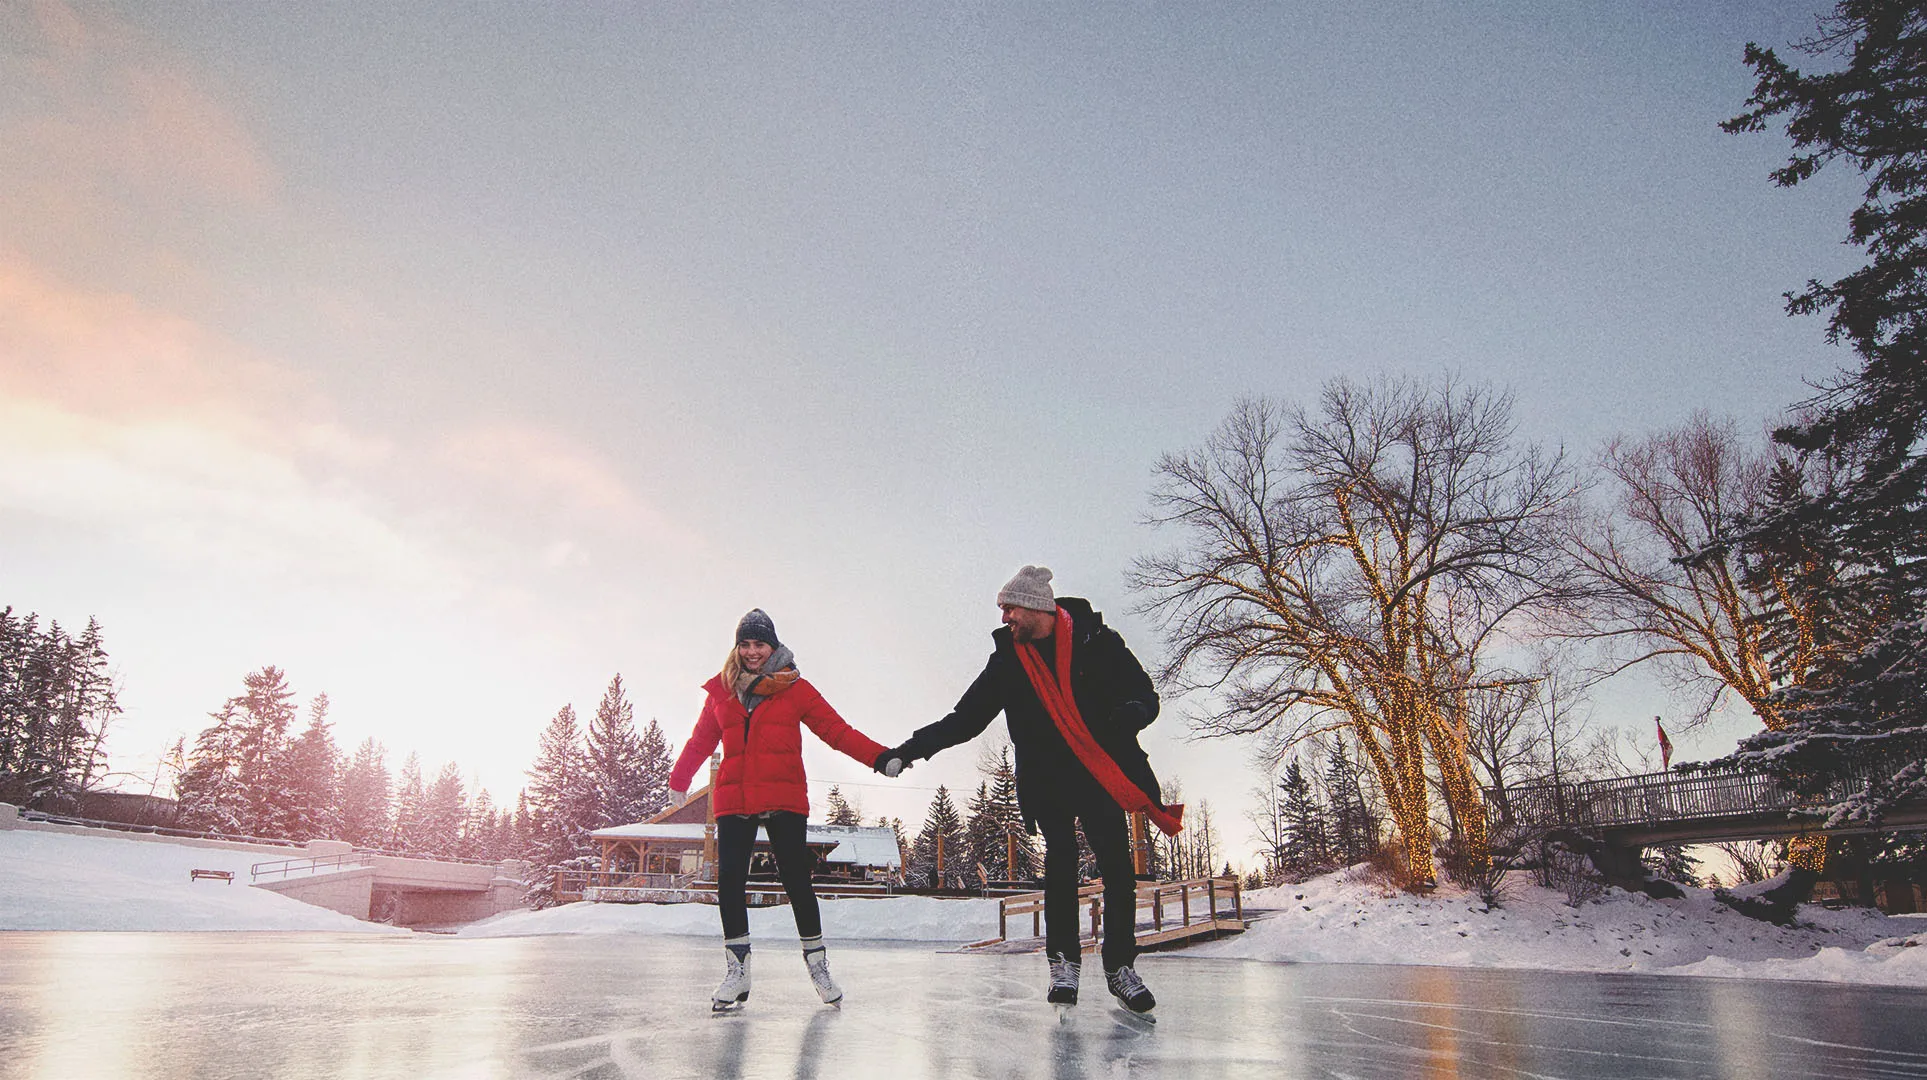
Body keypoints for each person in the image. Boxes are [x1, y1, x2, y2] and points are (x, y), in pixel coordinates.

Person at [877, 566, 1179, 1013]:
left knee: (1117, 868)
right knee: (1059, 867)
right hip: (1047, 777)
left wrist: (1129, 713)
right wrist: (909, 749)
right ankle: (1063, 965)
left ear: (1037, 606)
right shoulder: (1008, 661)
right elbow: (966, 718)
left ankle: (1120, 967)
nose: (1004, 619)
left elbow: (1145, 694)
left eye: (1009, 608)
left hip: (1098, 769)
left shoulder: (1098, 640)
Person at [667, 608, 904, 1011]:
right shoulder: (723, 691)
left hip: (783, 793)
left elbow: (836, 730)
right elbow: (700, 740)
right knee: (730, 881)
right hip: (735, 796)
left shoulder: (795, 689)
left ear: (772, 645)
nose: (752, 651)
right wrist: (679, 779)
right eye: (745, 644)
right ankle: (737, 972)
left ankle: (818, 966)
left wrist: (879, 758)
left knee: (796, 878)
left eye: (759, 643)